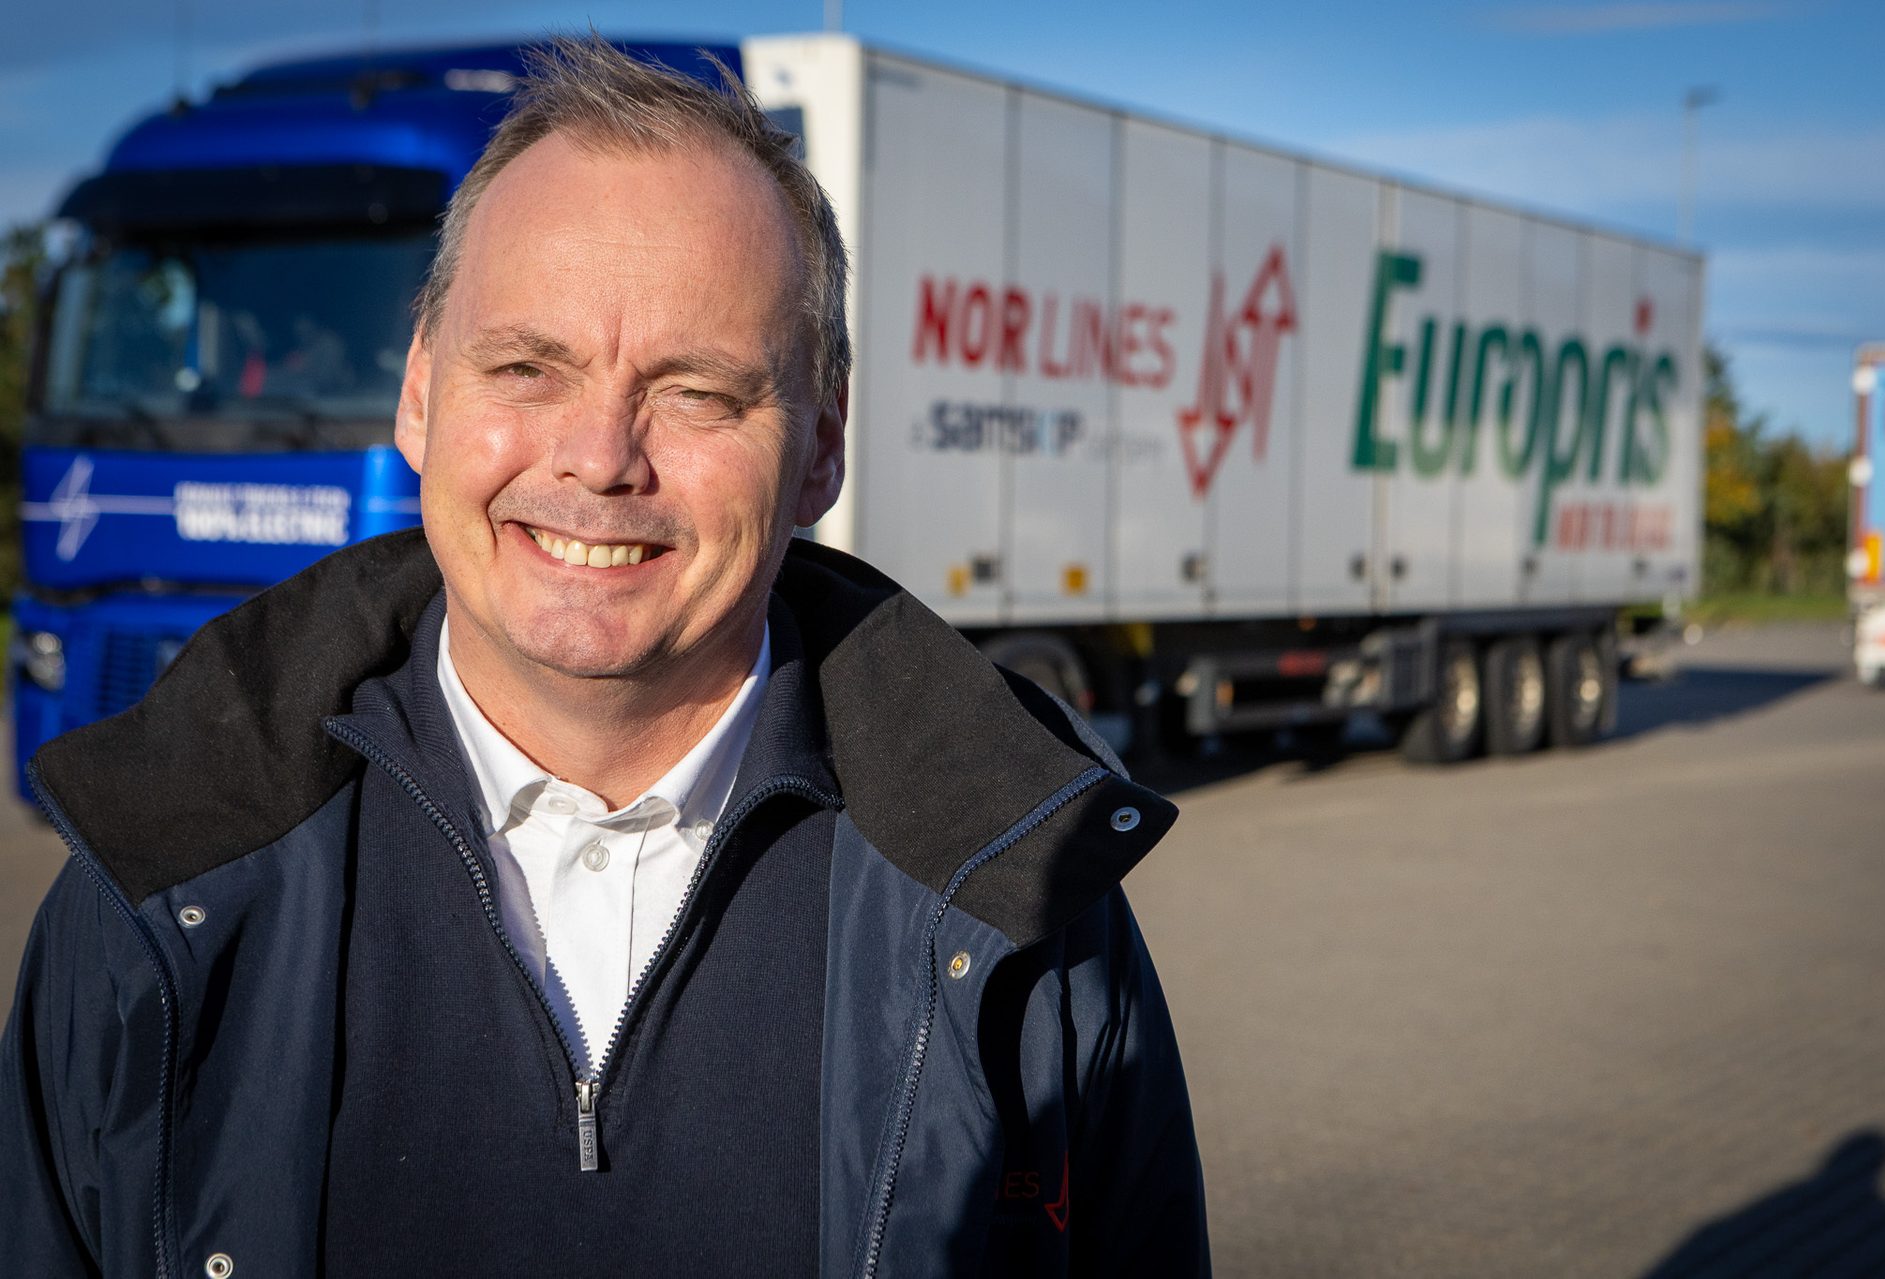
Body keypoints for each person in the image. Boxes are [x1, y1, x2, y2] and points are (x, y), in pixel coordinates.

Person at [1, 36, 1207, 1277]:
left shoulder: (1021, 910)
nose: (597, 458)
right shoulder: (152, 892)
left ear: (823, 447)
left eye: (696, 392)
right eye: (527, 366)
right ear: (419, 397)